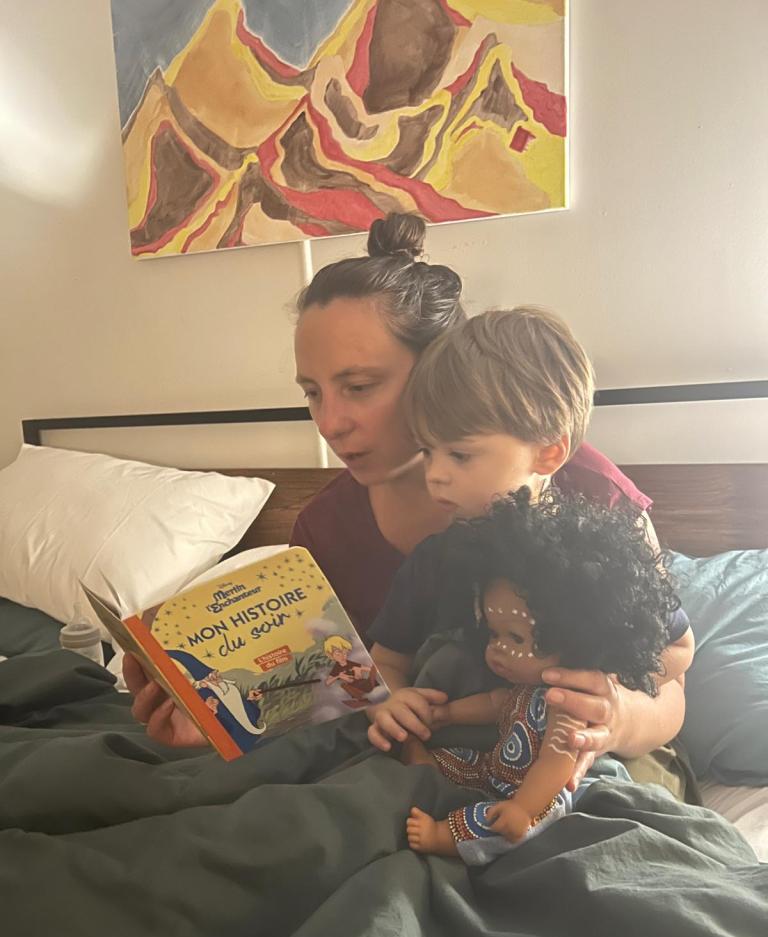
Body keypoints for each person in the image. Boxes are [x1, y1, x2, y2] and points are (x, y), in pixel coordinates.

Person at [125, 213, 687, 786]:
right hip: (428, 763)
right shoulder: (324, 529)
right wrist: (214, 725)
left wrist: (617, 720)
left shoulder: (584, 487)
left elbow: (669, 683)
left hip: (580, 759)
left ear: (441, 372)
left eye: (359, 387)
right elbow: (327, 696)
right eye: (313, 393)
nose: (330, 423)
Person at [365, 305, 694, 759]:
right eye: (427, 451)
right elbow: (384, 661)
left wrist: (616, 700)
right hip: (457, 755)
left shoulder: (597, 558)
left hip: (575, 758)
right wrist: (388, 701)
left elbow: (679, 649)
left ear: (548, 453)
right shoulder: (435, 560)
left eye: (460, 455)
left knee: (632, 803)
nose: (434, 474)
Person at [399, 487, 691, 866]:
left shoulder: (565, 703)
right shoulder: (524, 687)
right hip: (496, 770)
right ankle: (427, 765)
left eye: (516, 639)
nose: (497, 649)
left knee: (499, 824)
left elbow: (556, 763)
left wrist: (523, 807)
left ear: (572, 641)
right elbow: (494, 704)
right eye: (492, 634)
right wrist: (448, 714)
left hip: (539, 799)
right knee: (459, 760)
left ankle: (444, 836)